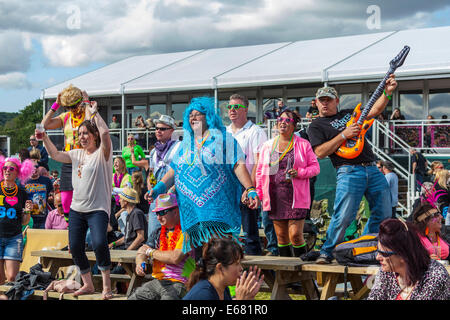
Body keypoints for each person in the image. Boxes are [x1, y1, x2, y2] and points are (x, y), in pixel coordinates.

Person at [148, 97, 259, 254]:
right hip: (191, 210)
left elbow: (238, 164)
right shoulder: (186, 144)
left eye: (198, 114)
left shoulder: (223, 139)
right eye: (190, 115)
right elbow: (174, 169)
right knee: (200, 258)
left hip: (217, 208)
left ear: (208, 117)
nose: (193, 117)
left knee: (219, 253)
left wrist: (250, 189)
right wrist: (159, 187)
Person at [307, 76, 397, 264]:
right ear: (316, 103)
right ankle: (327, 251)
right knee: (344, 215)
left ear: (337, 101)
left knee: (384, 212)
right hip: (347, 170)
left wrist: (387, 93)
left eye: (328, 100)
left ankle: (367, 247)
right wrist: (343, 135)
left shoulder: (349, 113)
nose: (325, 104)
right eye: (321, 100)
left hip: (372, 168)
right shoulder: (316, 125)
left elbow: (375, 110)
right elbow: (320, 152)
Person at [41, 100, 114, 300]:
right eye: (79, 134)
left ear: (94, 135)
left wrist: (94, 113)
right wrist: (44, 137)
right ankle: (88, 284)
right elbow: (55, 154)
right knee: (75, 246)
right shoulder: (76, 154)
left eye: (85, 134)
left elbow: (106, 134)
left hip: (98, 208)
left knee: (99, 243)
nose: (81, 137)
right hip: (76, 209)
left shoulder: (103, 154)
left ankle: (107, 286)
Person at [256, 109, 320, 257]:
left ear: (294, 125)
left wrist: (300, 173)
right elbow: (260, 172)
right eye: (280, 119)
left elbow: (315, 168)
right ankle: (288, 277)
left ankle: (302, 271)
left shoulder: (303, 144)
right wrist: (259, 194)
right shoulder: (268, 145)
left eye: (287, 120)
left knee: (295, 236)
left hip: (297, 197)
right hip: (275, 197)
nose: (282, 123)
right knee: (282, 237)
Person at [41, 84, 95, 226]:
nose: (72, 109)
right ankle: (71, 229)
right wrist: (56, 104)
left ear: (80, 103)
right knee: (65, 200)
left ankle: (85, 229)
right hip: (68, 158)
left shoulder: (87, 113)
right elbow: (44, 125)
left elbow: (90, 123)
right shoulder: (66, 117)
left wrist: (87, 102)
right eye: (68, 107)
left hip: (85, 158)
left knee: (84, 196)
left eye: (74, 106)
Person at [128, 193, 194, 300]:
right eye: (157, 213)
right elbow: (141, 251)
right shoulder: (158, 233)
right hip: (158, 281)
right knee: (134, 297)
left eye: (162, 213)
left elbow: (175, 257)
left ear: (176, 212)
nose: (158, 217)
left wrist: (151, 252)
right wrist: (140, 263)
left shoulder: (187, 232)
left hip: (180, 282)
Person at [367, 219, 450, 300]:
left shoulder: (435, 276)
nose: (377, 257)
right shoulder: (387, 272)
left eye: (384, 254)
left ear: (403, 254)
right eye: (378, 251)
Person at [226, 93, 267, 256]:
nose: (232, 110)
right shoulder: (224, 132)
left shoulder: (255, 131)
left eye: (237, 106)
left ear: (246, 109)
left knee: (250, 236)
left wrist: (250, 188)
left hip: (246, 188)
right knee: (227, 236)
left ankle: (255, 275)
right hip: (228, 190)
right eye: (230, 107)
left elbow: (259, 163)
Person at [138, 115, 180, 244]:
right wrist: (150, 189)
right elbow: (151, 172)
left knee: (172, 233)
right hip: (157, 196)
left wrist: (172, 190)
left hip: (173, 195)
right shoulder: (153, 151)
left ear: (172, 130)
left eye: (162, 128)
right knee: (153, 233)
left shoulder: (179, 147)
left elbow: (179, 173)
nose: (158, 131)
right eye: (156, 128)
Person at [183, 237, 264, 300]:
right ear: (220, 268)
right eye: (236, 264)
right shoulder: (203, 294)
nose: (241, 268)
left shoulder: (223, 289)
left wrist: (248, 297)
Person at [0, 156, 34, 284]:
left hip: (14, 238)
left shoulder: (22, 193)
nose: (7, 170)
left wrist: (28, 211)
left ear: (18, 172)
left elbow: (24, 222)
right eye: (5, 168)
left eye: (11, 168)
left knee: (12, 277)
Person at [109, 187, 147, 252]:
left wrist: (127, 252)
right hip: (128, 249)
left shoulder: (136, 213)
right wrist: (113, 244)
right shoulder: (130, 215)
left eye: (121, 199)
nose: (119, 201)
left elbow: (140, 237)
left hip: (135, 251)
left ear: (126, 202)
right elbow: (127, 237)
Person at [23, 163, 54, 229]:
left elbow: (51, 195)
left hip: (43, 219)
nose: (34, 168)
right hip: (29, 218)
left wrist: (51, 197)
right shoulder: (23, 182)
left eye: (36, 166)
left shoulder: (46, 180)